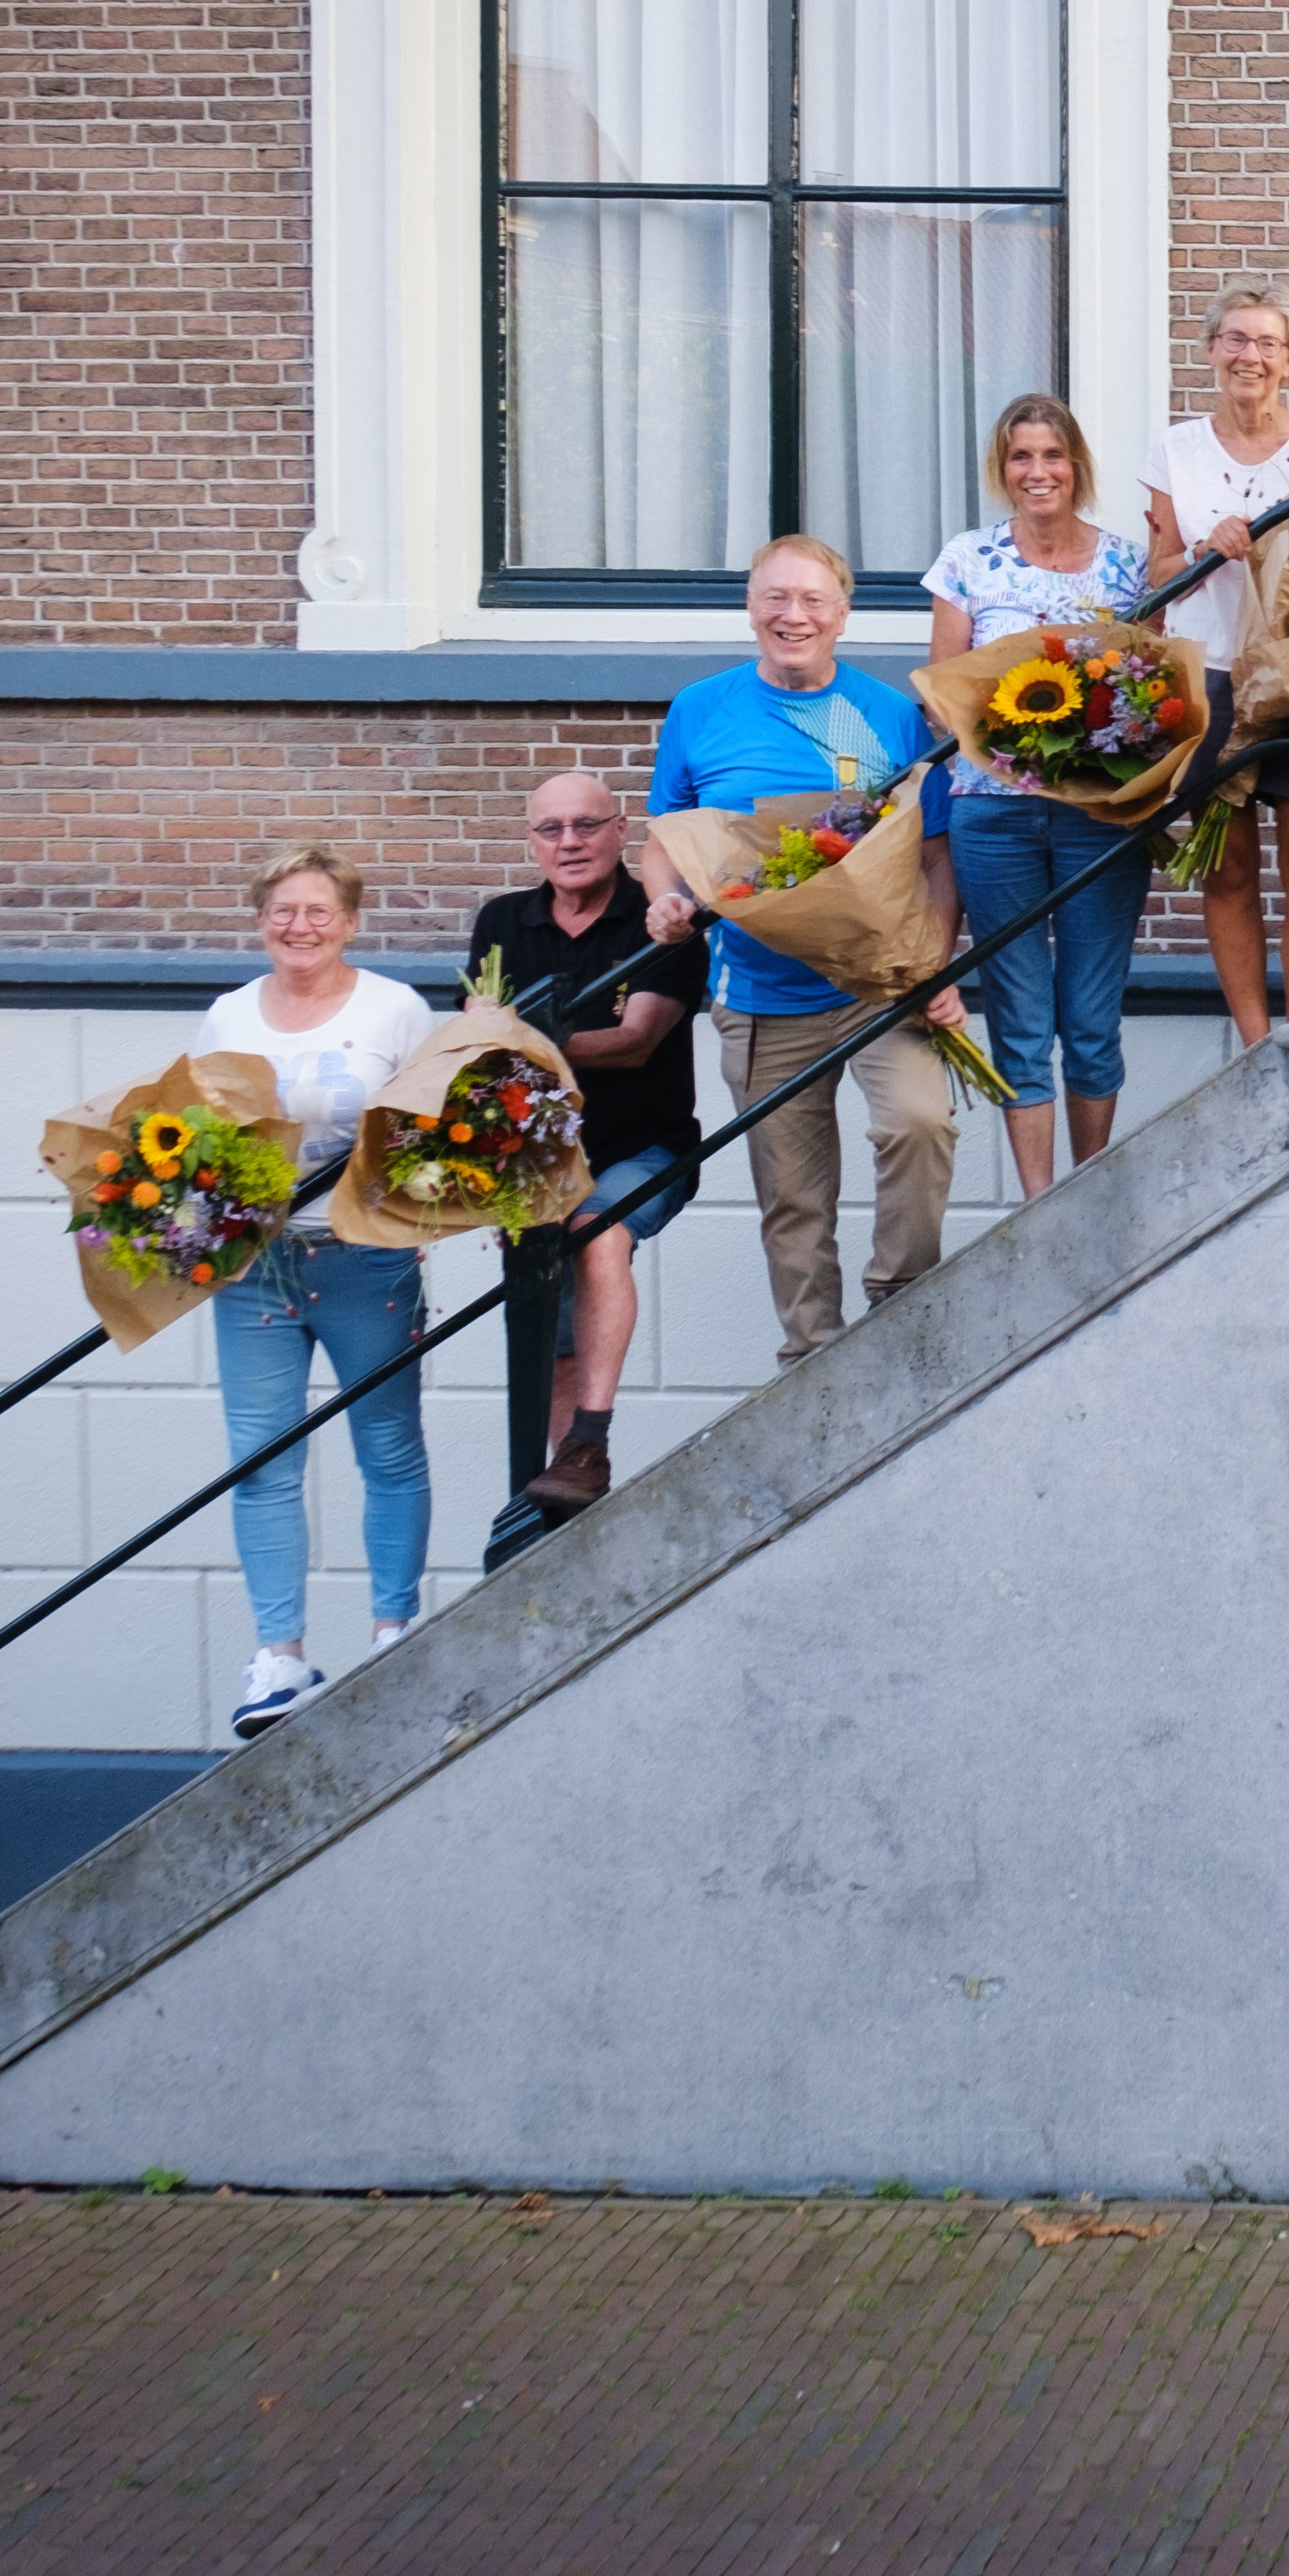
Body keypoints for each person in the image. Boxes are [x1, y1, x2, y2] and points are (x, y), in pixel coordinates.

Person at [634, 535, 967, 1370]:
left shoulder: (888, 712)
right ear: (751, 607)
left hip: (877, 980)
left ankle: (899, 1307)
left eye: (813, 600)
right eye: (776, 598)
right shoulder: (700, 709)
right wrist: (665, 900)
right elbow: (663, 838)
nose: (793, 615)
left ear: (843, 613)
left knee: (922, 1123)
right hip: (757, 991)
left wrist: (935, 962)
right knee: (793, 1199)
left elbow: (933, 852)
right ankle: (815, 1359)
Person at [199, 844, 438, 1740]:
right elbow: (193, 1136)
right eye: (282, 910)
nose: (299, 926)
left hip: (366, 1257)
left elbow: (436, 1124)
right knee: (262, 1458)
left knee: (387, 1445)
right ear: (259, 916)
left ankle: (393, 1632)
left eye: (318, 910)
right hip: (256, 1266)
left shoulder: (393, 1008)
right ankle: (280, 1657)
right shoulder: (227, 1017)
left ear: (350, 919)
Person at [922, 392, 1147, 1195]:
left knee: (1090, 1019)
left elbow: (1147, 688)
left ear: (1076, 465)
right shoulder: (968, 560)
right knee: (1019, 1017)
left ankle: (1085, 1191)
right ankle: (1038, 1203)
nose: (1037, 472)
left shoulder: (1126, 563)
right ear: (1003, 468)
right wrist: (1009, 734)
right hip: (994, 816)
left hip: (1098, 817)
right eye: (1022, 457)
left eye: (1052, 456)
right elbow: (942, 690)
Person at [468, 777, 702, 1527]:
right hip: (536, 1160)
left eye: (585, 825)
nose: (568, 842)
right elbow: (475, 1042)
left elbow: (635, 1041)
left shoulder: (661, 920)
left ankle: (590, 1443)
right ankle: (562, 1485)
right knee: (552, 1315)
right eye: (550, 829)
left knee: (595, 1233)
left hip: (646, 1147)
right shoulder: (504, 921)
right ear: (531, 841)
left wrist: (525, 1041)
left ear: (619, 830)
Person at [1144, 290, 1289, 1047]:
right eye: (1236, 340)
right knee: (1228, 869)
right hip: (1206, 670)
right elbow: (1157, 575)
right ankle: (1254, 1041)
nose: (1251, 357)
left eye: (1270, 344)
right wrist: (1208, 547)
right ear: (1210, 350)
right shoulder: (1175, 449)